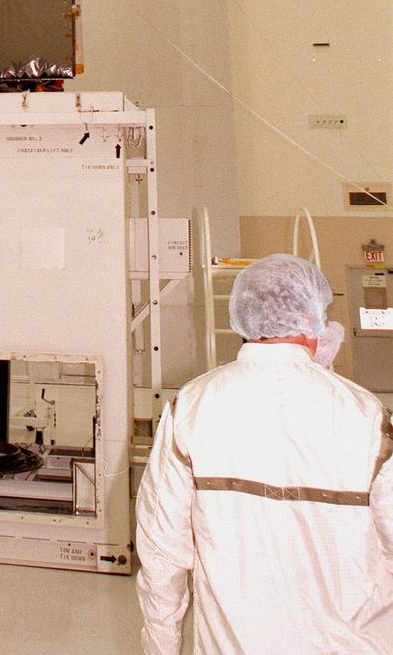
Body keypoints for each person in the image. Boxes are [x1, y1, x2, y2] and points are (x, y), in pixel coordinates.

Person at [135, 253, 393, 654]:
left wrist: (160, 649)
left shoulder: (192, 406)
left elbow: (161, 554)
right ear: (313, 319)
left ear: (243, 318)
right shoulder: (366, 415)